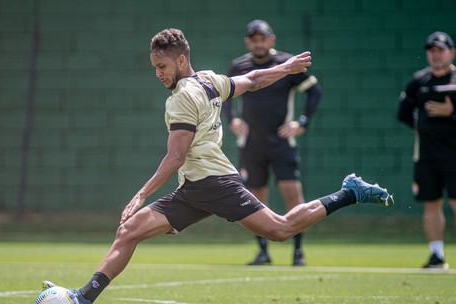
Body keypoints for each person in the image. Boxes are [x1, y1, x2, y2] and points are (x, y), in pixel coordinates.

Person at [43, 28, 394, 304]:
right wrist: (283, 69)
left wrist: (140, 194)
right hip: (194, 188)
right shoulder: (209, 80)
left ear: (181, 60)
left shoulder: (181, 98)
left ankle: (349, 192)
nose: (158, 74)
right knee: (129, 231)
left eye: (162, 67)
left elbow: (175, 157)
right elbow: (254, 80)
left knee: (280, 229)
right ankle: (83, 298)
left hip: (214, 184)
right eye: (154, 68)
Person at [223, 19, 322, 266]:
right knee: (255, 200)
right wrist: (232, 119)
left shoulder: (286, 64)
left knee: (292, 193)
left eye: (262, 38)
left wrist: (301, 122)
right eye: (254, 39)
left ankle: (298, 251)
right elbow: (223, 94)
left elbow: (314, 91)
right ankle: (263, 251)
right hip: (252, 144)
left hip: (280, 142)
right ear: (248, 42)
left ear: (271, 40)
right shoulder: (239, 65)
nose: (259, 43)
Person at [397, 31, 456, 269]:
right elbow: (403, 113)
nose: (436, 55)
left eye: (440, 50)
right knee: (430, 203)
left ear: (451, 53)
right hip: (426, 155)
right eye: (431, 51)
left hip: (454, 155)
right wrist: (423, 126)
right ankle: (436, 255)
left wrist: (450, 113)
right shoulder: (418, 81)